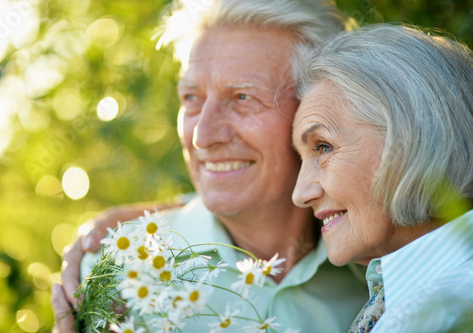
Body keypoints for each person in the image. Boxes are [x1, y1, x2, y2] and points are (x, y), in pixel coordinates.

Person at [52, 0, 369, 332]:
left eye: (243, 98)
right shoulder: (118, 271)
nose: (202, 136)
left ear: (314, 112)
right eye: (191, 98)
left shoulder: (378, 269)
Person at [292, 24, 473, 332]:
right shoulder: (416, 300)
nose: (300, 194)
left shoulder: (445, 311)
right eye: (301, 158)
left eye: (323, 147)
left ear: (414, 136)